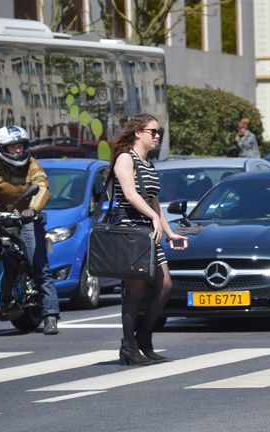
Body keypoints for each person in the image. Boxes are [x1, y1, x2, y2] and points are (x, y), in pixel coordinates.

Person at [109, 113, 187, 366]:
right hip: (130, 229)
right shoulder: (125, 159)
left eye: (158, 132)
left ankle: (144, 338)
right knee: (134, 291)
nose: (157, 137)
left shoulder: (148, 164)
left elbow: (153, 201)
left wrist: (169, 229)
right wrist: (153, 218)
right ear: (138, 133)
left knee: (165, 285)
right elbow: (130, 195)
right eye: (153, 132)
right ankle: (128, 346)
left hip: (148, 230)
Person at [0, 125, 60, 335]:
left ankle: (50, 314)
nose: (19, 151)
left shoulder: (33, 166)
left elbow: (42, 187)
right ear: (2, 148)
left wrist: (33, 209)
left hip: (27, 218)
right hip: (0, 216)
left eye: (21, 146)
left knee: (37, 264)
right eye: (13, 148)